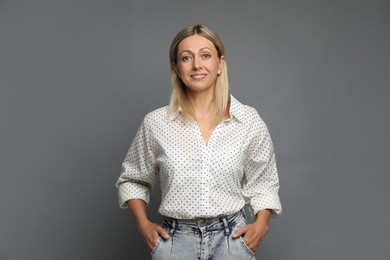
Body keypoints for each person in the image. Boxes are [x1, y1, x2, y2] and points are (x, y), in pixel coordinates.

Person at [116, 24, 282, 260]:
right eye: (186, 58)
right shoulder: (155, 123)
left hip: (232, 242)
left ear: (220, 64)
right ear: (176, 67)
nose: (197, 65)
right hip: (174, 243)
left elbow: (264, 181)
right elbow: (132, 178)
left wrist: (261, 224)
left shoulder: (248, 120)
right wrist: (143, 224)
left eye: (205, 55)